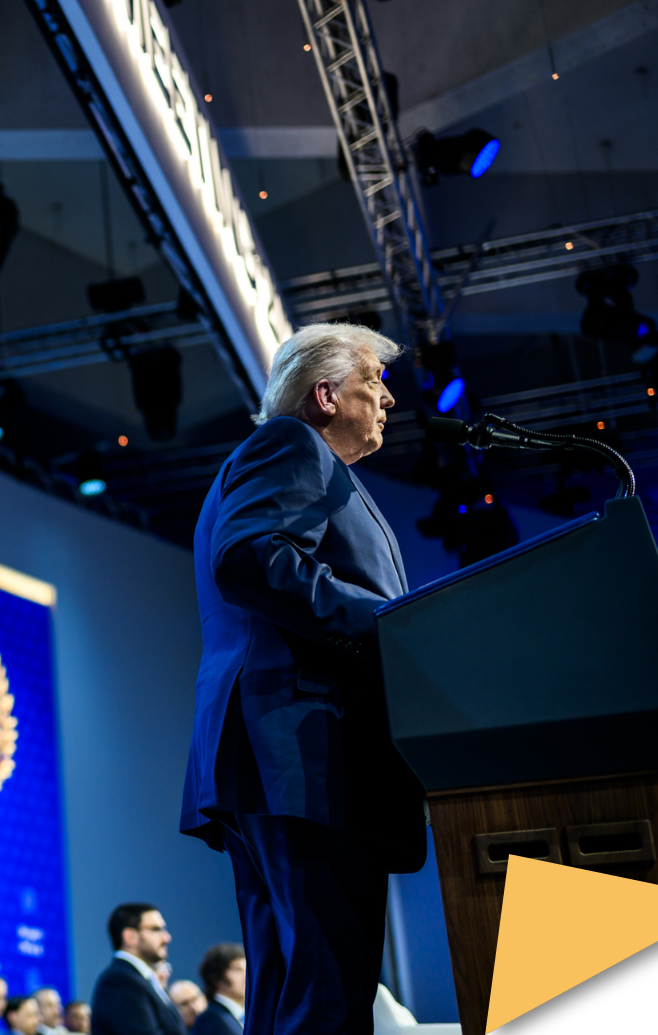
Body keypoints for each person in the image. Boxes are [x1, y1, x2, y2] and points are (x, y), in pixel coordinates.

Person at [180, 322, 428, 1035]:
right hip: (306, 751)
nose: (387, 400)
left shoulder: (308, 467)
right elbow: (253, 558)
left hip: (280, 757)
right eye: (372, 382)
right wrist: (391, 622)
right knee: (325, 996)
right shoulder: (291, 445)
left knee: (293, 996)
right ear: (325, 393)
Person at [90, 904, 184, 1035]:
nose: (167, 938)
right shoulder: (119, 981)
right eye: (156, 929)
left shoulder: (140, 979)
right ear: (130, 936)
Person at [191, 944, 246, 1035]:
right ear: (217, 979)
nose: (246, 975)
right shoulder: (210, 1020)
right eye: (238, 969)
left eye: (247, 969)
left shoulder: (240, 1017)